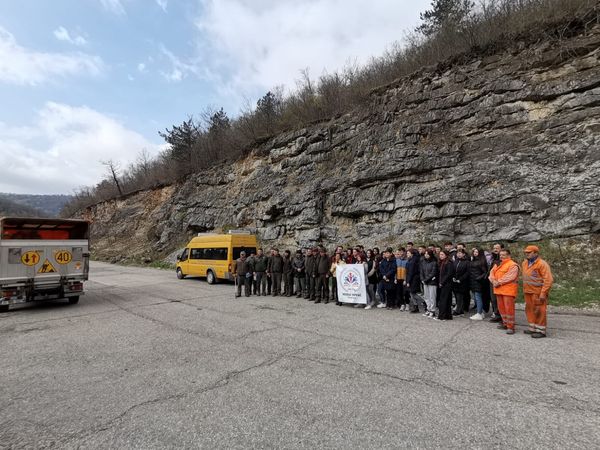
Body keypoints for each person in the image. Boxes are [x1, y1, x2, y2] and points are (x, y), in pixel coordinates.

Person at [522, 245, 554, 338]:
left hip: (538, 292)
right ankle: (532, 328)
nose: (527, 254)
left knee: (540, 310)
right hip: (528, 291)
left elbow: (548, 280)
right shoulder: (524, 263)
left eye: (529, 252)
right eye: (526, 252)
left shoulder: (542, 264)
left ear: (536, 253)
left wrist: (543, 293)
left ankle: (541, 331)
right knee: (529, 310)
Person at [489, 249, 519, 334]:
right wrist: (493, 281)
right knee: (501, 308)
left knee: (509, 309)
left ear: (509, 256)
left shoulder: (513, 265)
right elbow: (491, 273)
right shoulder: (498, 264)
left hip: (508, 291)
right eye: (500, 255)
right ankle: (505, 323)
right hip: (499, 290)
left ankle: (511, 327)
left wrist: (498, 282)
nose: (501, 256)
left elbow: (510, 276)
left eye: (503, 255)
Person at [469, 248, 488, 320]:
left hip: (478, 282)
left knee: (478, 297)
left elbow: (485, 272)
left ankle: (479, 313)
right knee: (476, 297)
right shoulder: (473, 260)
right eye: (474, 252)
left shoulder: (481, 261)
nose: (475, 253)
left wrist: (478, 278)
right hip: (472, 281)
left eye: (477, 252)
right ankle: (481, 312)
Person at [487, 243, 504, 323]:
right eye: (494, 248)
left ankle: (502, 316)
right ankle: (496, 314)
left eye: (497, 248)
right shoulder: (493, 258)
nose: (495, 249)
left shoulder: (503, 259)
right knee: (493, 299)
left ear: (502, 249)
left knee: (499, 299)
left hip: (500, 282)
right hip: (492, 281)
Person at [436, 250, 455, 320]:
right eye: (440, 254)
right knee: (447, 300)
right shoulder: (442, 262)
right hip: (444, 283)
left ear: (446, 255)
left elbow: (448, 274)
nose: (440, 256)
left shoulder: (449, 263)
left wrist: (442, 282)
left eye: (442, 254)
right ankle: (448, 315)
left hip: (447, 284)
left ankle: (442, 316)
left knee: (443, 300)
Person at [452, 249, 470, 316]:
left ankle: (458, 310)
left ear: (463, 254)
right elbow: (453, 270)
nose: (459, 254)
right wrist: (453, 277)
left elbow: (467, 272)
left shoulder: (467, 262)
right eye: (458, 253)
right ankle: (460, 309)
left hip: (462, 282)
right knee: (456, 296)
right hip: (455, 281)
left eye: (460, 253)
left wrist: (460, 279)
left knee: (460, 296)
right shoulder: (455, 261)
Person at [420, 250, 438, 318]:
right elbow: (421, 271)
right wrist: (422, 279)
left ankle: (433, 310)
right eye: (425, 254)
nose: (426, 255)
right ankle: (428, 308)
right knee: (426, 296)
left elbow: (433, 273)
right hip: (424, 282)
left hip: (432, 282)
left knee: (432, 297)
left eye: (427, 254)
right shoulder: (423, 262)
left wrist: (425, 280)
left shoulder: (434, 262)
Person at [404, 249, 422, 313]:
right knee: (412, 293)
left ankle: (424, 302)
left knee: (413, 293)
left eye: (408, 253)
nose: (407, 254)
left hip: (413, 279)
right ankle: (416, 306)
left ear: (412, 254)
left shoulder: (412, 261)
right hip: (413, 278)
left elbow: (410, 272)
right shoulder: (411, 260)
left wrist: (408, 281)